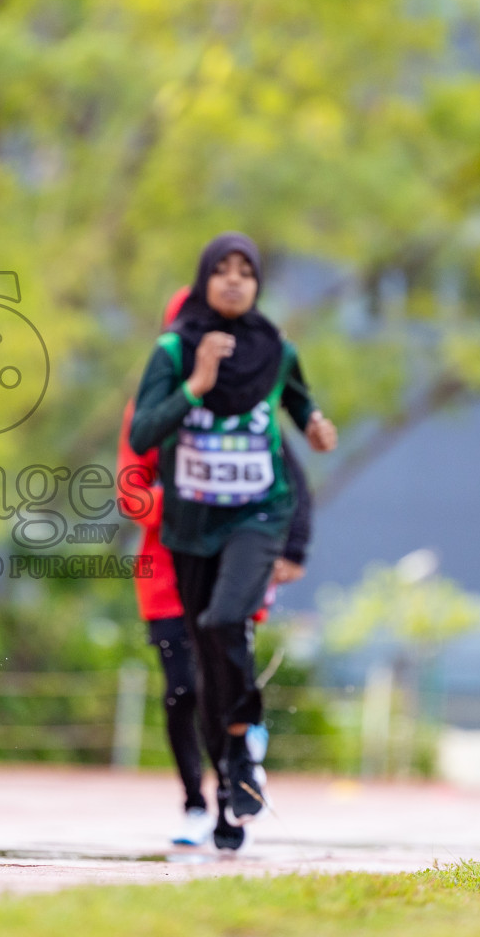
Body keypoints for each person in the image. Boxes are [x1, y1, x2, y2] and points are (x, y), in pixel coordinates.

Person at [128, 233, 336, 851]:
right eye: (222, 269)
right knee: (207, 661)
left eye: (246, 270)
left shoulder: (279, 350)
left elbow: (302, 413)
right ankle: (228, 792)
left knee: (225, 623)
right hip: (190, 527)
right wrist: (198, 381)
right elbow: (142, 432)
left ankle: (243, 747)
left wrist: (319, 427)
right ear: (202, 280)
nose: (235, 280)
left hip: (258, 517)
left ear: (258, 284)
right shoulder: (171, 351)